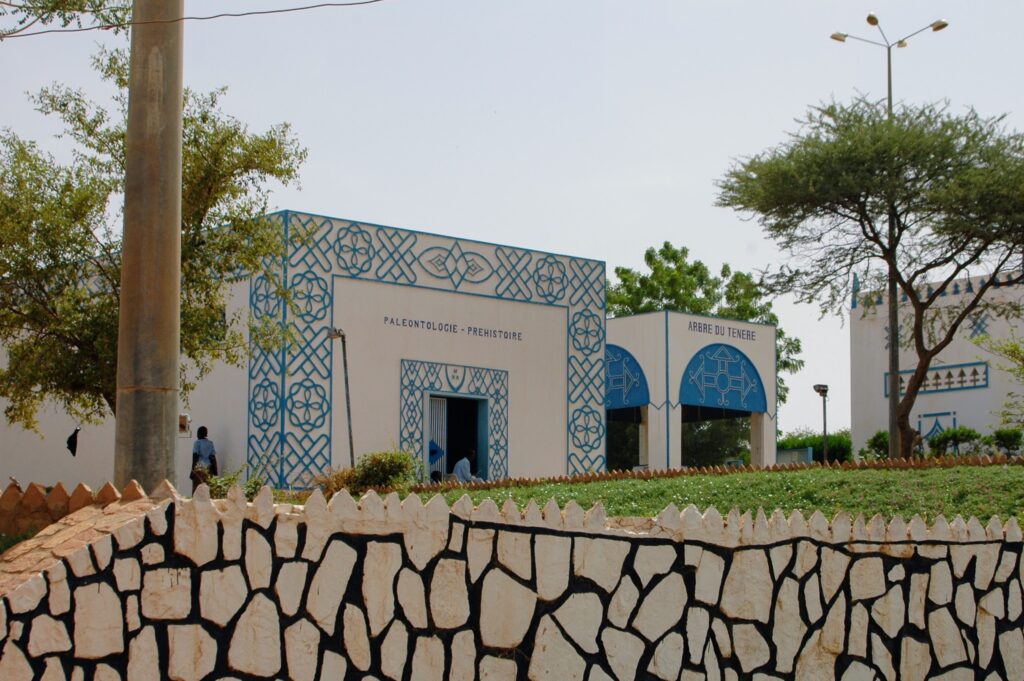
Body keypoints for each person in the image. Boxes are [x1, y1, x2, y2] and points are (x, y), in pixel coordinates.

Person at [191, 426, 219, 493]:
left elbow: (195, 456)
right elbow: (213, 458)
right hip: (209, 468)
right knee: (209, 488)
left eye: (198, 432)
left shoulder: (197, 443)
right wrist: (215, 471)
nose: (197, 434)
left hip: (200, 468)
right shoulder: (210, 443)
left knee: (197, 488)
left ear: (200, 433)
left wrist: (192, 470)